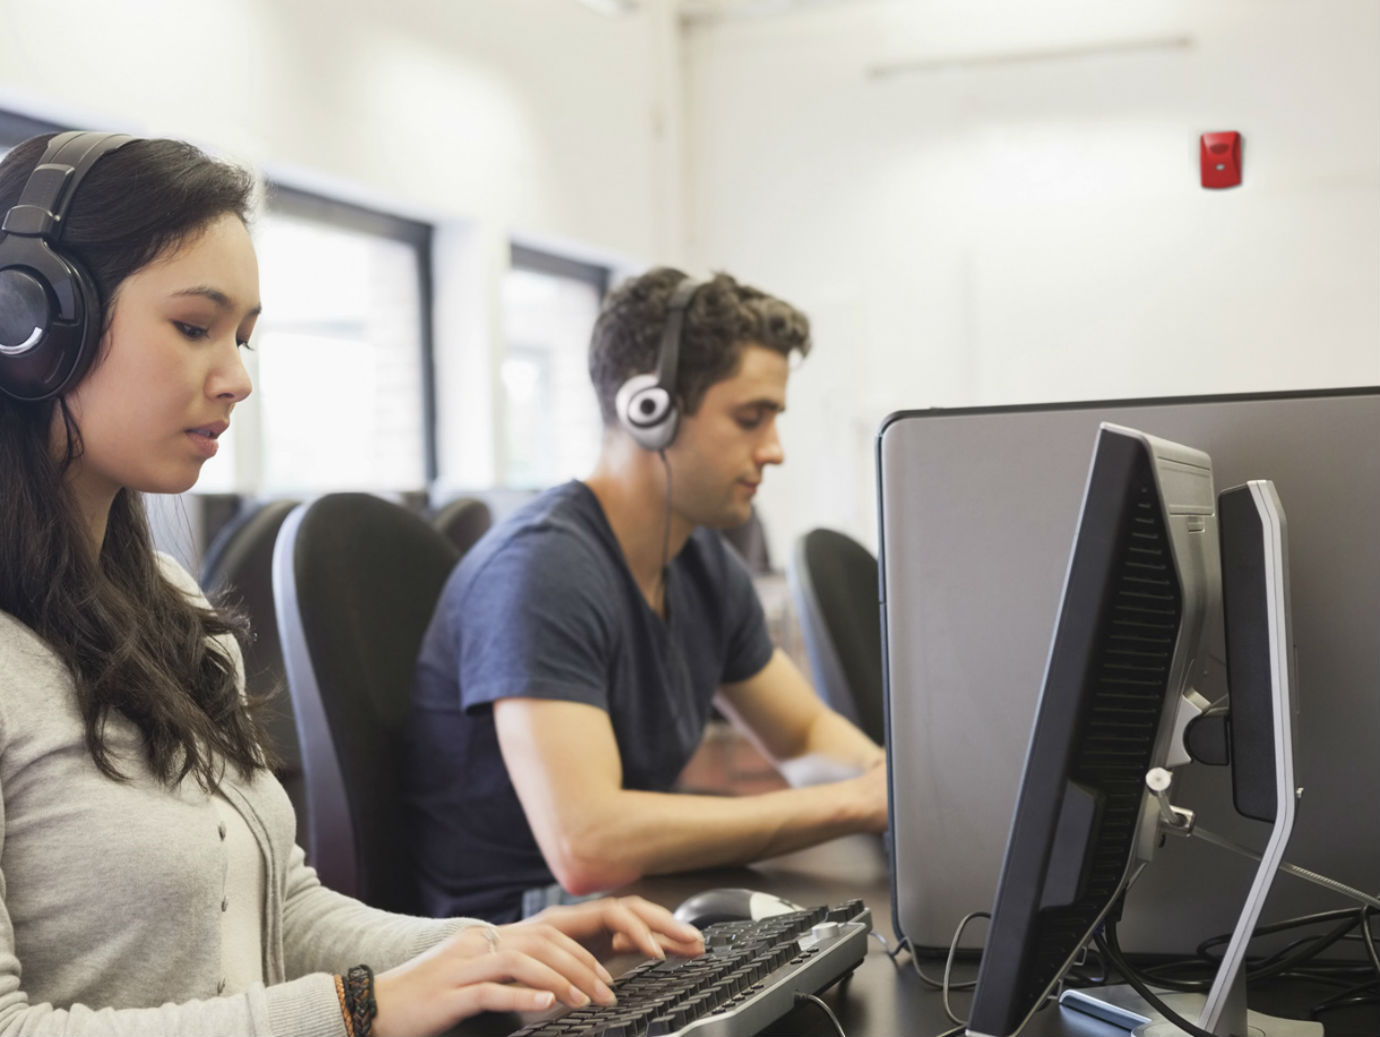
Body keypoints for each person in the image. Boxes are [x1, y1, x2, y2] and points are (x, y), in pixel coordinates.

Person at [0, 132, 701, 1037]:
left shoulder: (168, 607)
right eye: (192, 326)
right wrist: (360, 1008)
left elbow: (279, 913)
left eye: (243, 337)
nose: (238, 377)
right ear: (29, 325)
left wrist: (488, 949)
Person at [402, 267, 889, 924]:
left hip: (624, 912)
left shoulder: (701, 562)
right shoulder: (542, 569)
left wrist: (897, 786)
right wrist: (856, 801)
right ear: (649, 412)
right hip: (515, 944)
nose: (773, 450)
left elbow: (802, 736)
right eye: (750, 418)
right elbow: (588, 842)